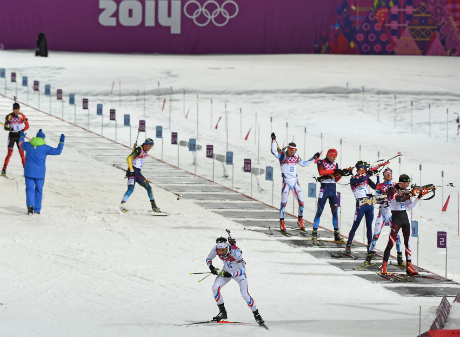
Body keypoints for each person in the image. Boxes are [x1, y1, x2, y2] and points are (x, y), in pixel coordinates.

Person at [207, 237, 265, 326]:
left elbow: (243, 270)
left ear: (227, 247)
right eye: (220, 250)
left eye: (223, 250)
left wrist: (232, 275)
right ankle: (222, 312)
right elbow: (208, 259)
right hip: (226, 271)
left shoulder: (235, 252)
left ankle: (257, 315)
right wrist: (211, 267)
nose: (221, 252)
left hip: (239, 274)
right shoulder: (216, 249)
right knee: (215, 288)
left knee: (244, 294)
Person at [270, 133, 319, 231]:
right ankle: (282, 222)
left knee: (301, 203)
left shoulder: (296, 156)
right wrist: (273, 140)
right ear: (288, 149)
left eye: (294, 151)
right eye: (291, 151)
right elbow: (273, 151)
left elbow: (303, 164)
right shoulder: (282, 156)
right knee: (284, 203)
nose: (293, 153)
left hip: (295, 182)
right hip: (286, 182)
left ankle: (300, 219)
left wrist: (313, 158)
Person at [380, 174, 426, 276]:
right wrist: (410, 194)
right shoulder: (392, 189)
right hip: (396, 219)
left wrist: (419, 197)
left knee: (408, 243)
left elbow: (409, 207)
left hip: (404, 218)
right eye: (407, 183)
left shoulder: (406, 192)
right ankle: (384, 266)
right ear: (402, 182)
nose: (408, 184)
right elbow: (399, 199)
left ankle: (409, 266)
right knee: (391, 243)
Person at [19, 129, 65, 214]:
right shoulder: (45, 147)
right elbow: (58, 151)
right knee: (39, 190)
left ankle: (30, 206)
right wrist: (61, 142)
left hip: (29, 172)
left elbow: (20, 144)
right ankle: (37, 209)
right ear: (43, 139)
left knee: (29, 189)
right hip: (40, 174)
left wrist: (22, 136)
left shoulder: (28, 145)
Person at [366, 168, 404, 266]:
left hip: (392, 214)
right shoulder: (380, 186)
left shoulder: (396, 185)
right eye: (387, 174)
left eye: (390, 174)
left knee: (397, 238)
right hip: (382, 214)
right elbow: (377, 200)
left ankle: (400, 259)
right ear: (384, 175)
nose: (388, 175)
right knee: (376, 236)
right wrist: (381, 197)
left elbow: (401, 197)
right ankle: (368, 257)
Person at [312, 149, 349, 242]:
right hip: (324, 189)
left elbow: (336, 179)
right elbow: (321, 172)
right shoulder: (321, 162)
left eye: (335, 157)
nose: (334, 158)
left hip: (333, 189)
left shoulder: (335, 164)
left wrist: (341, 174)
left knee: (335, 212)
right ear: (328, 155)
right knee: (319, 211)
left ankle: (336, 234)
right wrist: (334, 170)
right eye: (333, 156)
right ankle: (314, 232)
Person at [121, 138, 161, 213]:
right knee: (130, 189)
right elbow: (129, 158)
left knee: (149, 188)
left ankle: (154, 206)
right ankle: (122, 205)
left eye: (151, 147)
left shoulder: (144, 150)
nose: (150, 148)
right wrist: (132, 170)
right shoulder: (139, 150)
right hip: (132, 174)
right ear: (145, 145)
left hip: (138, 173)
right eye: (149, 146)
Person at [345, 161, 377, 254]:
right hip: (360, 205)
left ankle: (370, 247)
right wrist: (369, 174)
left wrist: (377, 175)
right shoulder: (353, 178)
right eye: (364, 168)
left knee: (369, 226)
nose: (366, 170)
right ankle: (348, 246)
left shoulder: (366, 178)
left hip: (369, 203)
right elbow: (360, 180)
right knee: (355, 225)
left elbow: (376, 187)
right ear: (360, 169)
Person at [2, 102, 29, 176]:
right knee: (9, 153)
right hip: (11, 136)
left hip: (19, 136)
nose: (16, 111)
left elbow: (27, 126)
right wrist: (9, 128)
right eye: (14, 109)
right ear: (13, 109)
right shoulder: (9, 116)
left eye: (17, 109)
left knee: (22, 154)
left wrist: (22, 131)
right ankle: (4, 169)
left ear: (19, 109)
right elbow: (5, 127)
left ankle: (26, 171)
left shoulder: (22, 116)